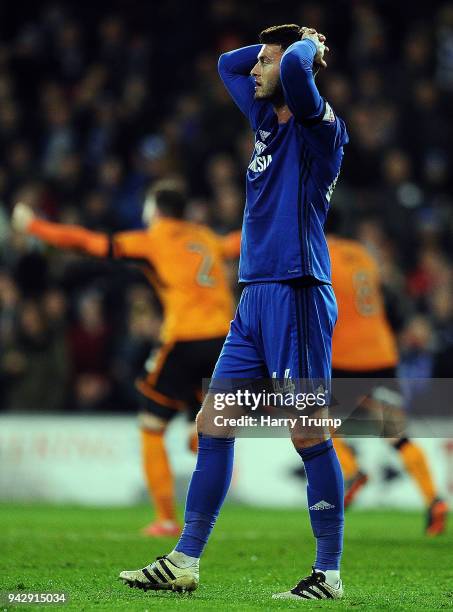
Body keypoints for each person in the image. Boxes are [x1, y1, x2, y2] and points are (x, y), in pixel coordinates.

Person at [119, 24, 348, 600]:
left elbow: (294, 71)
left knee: (307, 429)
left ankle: (328, 573)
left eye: (264, 62)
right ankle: (185, 560)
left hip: (297, 291)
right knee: (213, 424)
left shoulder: (322, 128)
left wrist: (303, 48)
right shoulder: (268, 126)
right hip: (253, 298)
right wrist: (276, 47)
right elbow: (227, 63)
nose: (255, 71)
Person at [11, 179, 240, 536]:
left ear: (155, 210)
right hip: (227, 341)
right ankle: (202, 433)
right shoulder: (205, 238)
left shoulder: (153, 239)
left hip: (185, 339)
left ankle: (166, 518)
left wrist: (33, 225)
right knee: (210, 431)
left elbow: (88, 243)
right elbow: (240, 242)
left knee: (151, 426)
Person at [327, 216, 448, 536]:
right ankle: (434, 499)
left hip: (346, 356)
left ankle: (351, 472)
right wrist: (409, 322)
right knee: (393, 430)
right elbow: (391, 295)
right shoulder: (365, 254)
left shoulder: (317, 251)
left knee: (310, 417)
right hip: (382, 353)